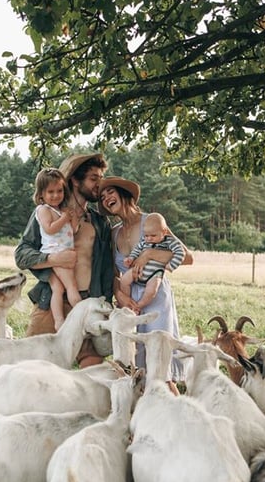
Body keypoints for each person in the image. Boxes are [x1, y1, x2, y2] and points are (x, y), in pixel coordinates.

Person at [14, 153, 114, 367]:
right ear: (75, 181)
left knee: (94, 370)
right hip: (52, 302)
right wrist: (53, 259)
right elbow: (22, 254)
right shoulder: (46, 213)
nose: (99, 184)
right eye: (93, 178)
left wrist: (106, 303)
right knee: (32, 368)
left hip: (86, 303)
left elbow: (107, 269)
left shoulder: (100, 222)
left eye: (101, 178)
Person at [98, 176, 193, 393]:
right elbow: (113, 273)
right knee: (135, 370)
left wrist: (149, 254)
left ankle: (178, 410)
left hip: (155, 297)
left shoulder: (151, 222)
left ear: (123, 193)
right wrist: (120, 295)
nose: (106, 199)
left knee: (160, 369)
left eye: (110, 192)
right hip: (129, 303)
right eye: (102, 197)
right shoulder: (114, 233)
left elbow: (187, 257)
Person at [32, 168, 81, 330]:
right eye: (50, 192)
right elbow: (49, 229)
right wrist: (65, 218)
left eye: (59, 191)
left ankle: (59, 321)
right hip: (56, 252)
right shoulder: (43, 210)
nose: (56, 195)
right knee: (71, 286)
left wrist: (73, 218)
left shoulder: (60, 211)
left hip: (63, 251)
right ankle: (82, 316)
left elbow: (73, 230)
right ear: (41, 194)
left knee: (58, 289)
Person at [119, 212, 186, 314]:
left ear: (164, 232)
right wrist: (131, 258)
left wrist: (171, 266)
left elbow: (181, 252)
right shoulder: (144, 241)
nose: (149, 238)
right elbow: (137, 250)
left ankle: (138, 306)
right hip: (138, 270)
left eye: (153, 235)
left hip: (155, 274)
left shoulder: (170, 242)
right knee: (124, 280)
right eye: (146, 235)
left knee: (151, 291)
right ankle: (128, 303)